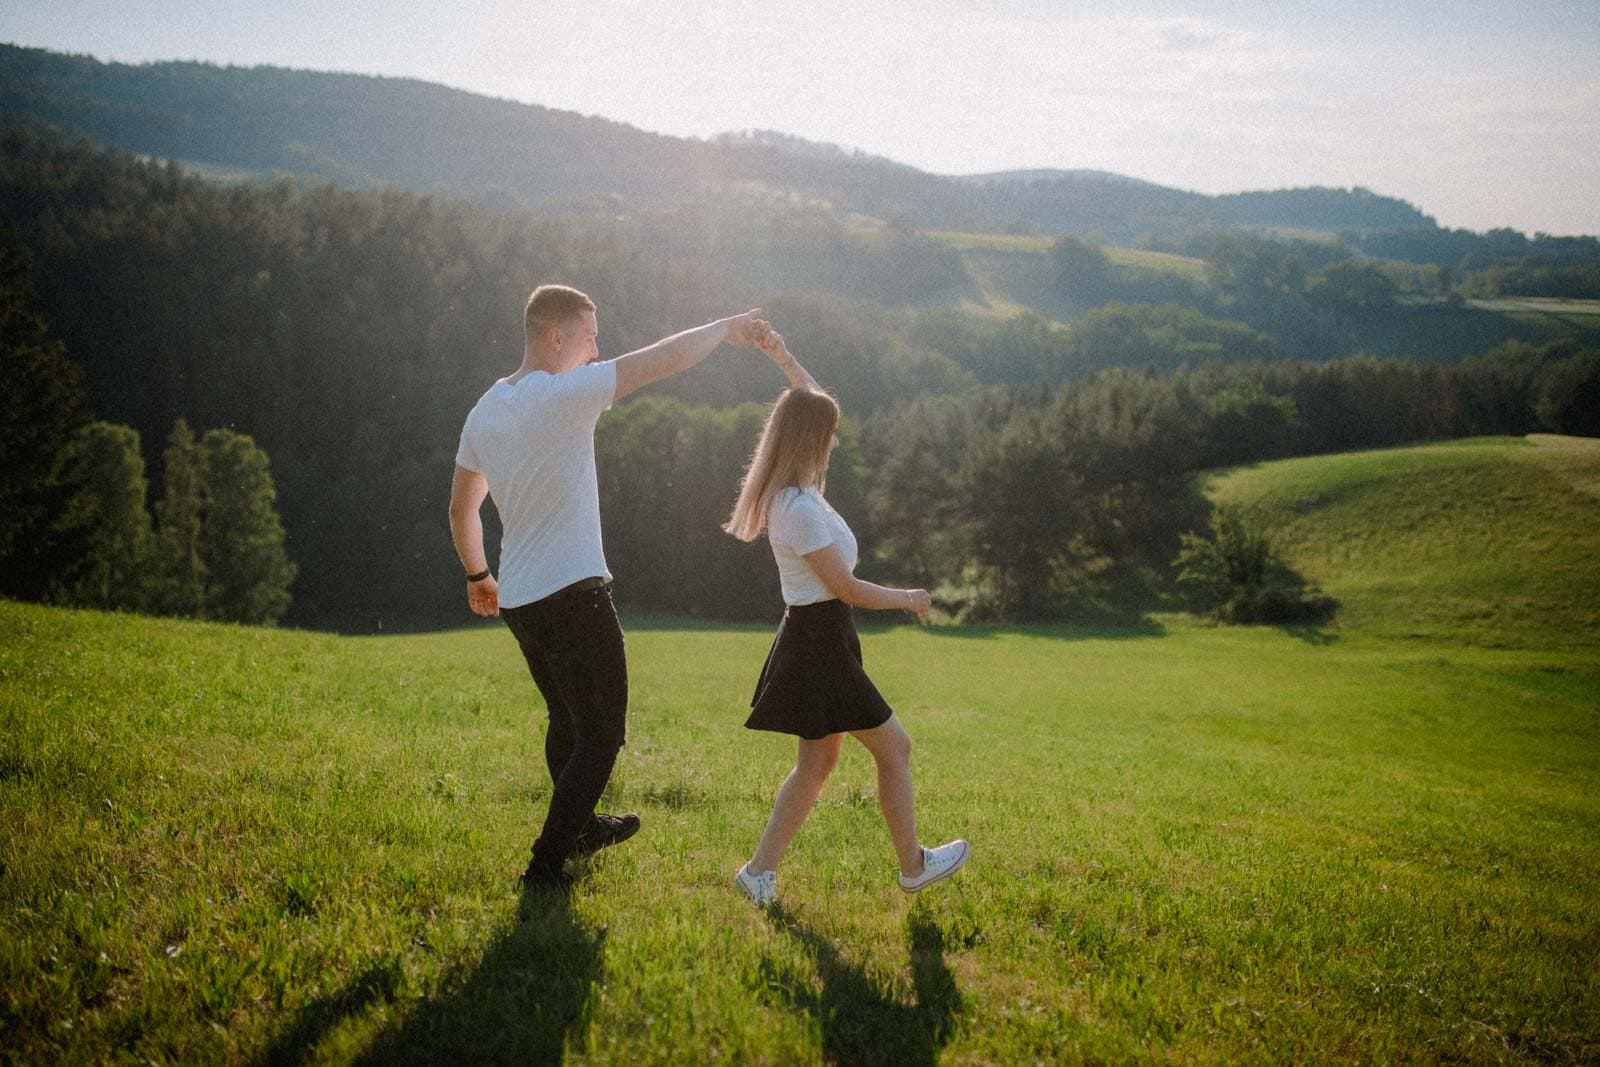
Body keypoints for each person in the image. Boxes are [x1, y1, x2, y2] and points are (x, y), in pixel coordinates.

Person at [449, 283, 767, 890]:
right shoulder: (564, 394)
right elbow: (661, 360)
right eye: (590, 337)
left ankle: (584, 827)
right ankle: (546, 865)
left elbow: (462, 508)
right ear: (556, 338)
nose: (597, 350)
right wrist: (725, 328)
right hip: (574, 594)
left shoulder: (485, 409)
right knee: (602, 732)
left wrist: (478, 574)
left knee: (566, 721)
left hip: (520, 598)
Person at [724, 326, 969, 906]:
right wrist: (908, 597)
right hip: (819, 643)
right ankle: (913, 866)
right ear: (809, 441)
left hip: (819, 639)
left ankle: (758, 874)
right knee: (896, 748)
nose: (836, 444)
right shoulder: (798, 509)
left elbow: (811, 400)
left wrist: (784, 356)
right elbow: (848, 589)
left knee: (817, 763)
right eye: (828, 437)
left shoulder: (800, 487)